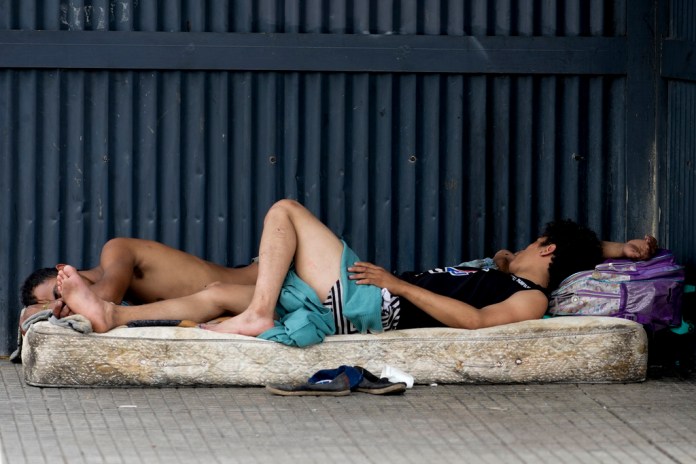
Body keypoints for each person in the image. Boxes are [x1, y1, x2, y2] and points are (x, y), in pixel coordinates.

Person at [55, 200, 658, 346]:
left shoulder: (528, 300)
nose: (518, 249)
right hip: (368, 292)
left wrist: (398, 285)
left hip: (375, 303)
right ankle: (114, 315)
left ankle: (260, 314)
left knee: (284, 211)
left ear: (547, 253)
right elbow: (553, 251)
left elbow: (474, 319)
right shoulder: (502, 268)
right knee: (215, 290)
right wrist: (618, 250)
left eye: (534, 245)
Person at [19, 238, 258, 333]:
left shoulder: (115, 250)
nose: (63, 304)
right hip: (240, 301)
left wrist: (48, 309)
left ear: (65, 270)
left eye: (58, 293)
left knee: (216, 293)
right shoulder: (131, 304)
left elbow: (107, 295)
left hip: (262, 277)